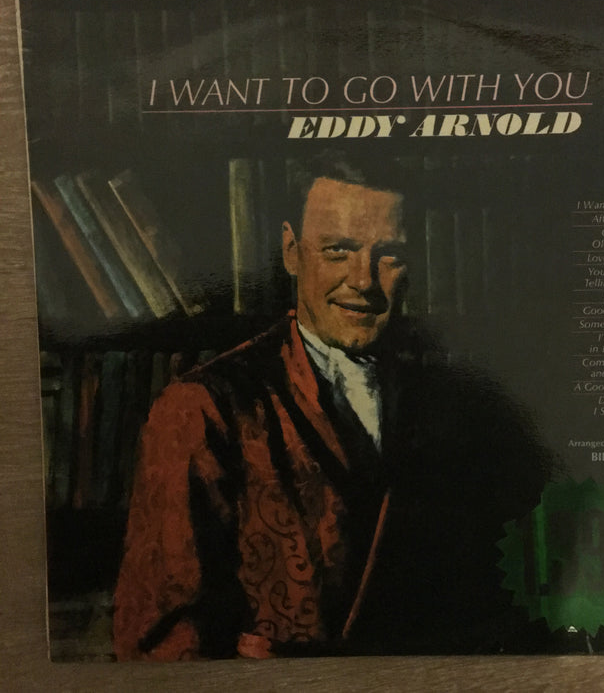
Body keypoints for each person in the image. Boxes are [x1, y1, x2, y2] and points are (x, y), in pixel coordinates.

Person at [113, 151, 553, 660]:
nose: (363, 280)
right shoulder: (201, 407)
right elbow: (162, 641)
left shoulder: (459, 404)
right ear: (291, 252)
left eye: (389, 255)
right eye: (339, 251)